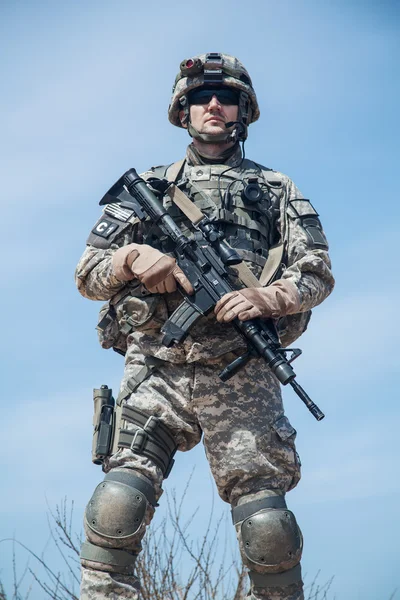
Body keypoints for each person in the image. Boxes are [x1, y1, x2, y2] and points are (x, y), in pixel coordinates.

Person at [75, 52, 334, 600]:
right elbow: (87, 275)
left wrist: (271, 295)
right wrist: (131, 260)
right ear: (182, 111)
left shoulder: (276, 188)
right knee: (118, 505)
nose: (212, 105)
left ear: (245, 110)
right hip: (156, 367)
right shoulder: (148, 187)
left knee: (268, 529)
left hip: (241, 375)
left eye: (225, 97)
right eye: (199, 98)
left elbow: (317, 274)